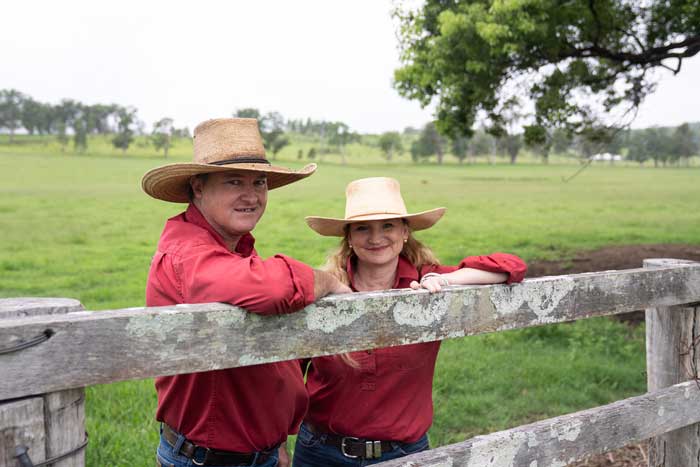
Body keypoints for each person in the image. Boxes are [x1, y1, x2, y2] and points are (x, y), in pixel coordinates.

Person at [141, 118, 351, 467]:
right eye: (234, 182)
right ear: (198, 187)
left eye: (260, 182)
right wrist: (326, 280)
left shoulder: (231, 247)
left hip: (257, 453)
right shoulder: (187, 252)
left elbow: (264, 365)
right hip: (210, 460)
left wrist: (276, 440)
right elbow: (272, 288)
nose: (251, 196)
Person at [293, 177, 527, 466]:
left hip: (404, 453)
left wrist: (446, 279)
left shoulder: (425, 283)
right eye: (363, 228)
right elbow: (289, 370)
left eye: (388, 226)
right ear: (349, 238)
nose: (376, 237)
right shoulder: (326, 288)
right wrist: (278, 437)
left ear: (405, 232)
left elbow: (511, 266)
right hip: (322, 451)